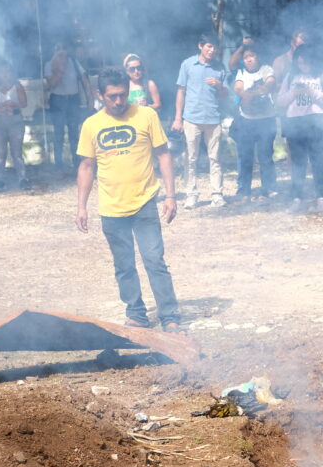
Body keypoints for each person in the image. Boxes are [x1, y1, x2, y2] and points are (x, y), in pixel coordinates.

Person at [75, 67, 181, 331]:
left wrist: (171, 195)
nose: (119, 102)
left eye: (122, 95)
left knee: (154, 260)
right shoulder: (91, 125)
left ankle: (169, 316)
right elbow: (87, 167)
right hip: (111, 207)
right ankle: (136, 313)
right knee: (123, 265)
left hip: (145, 202)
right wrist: (81, 207)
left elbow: (164, 155)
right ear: (100, 95)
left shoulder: (146, 115)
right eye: (112, 97)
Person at [277, 44, 323, 213]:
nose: (303, 66)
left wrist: (312, 92)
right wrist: (293, 94)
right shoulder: (290, 77)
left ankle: (320, 198)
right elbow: (280, 101)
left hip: (318, 122)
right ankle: (297, 198)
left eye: (306, 62)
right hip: (294, 122)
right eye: (300, 62)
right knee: (297, 163)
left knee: (318, 161)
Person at [172, 34, 230, 209]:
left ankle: (217, 194)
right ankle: (191, 194)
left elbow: (225, 96)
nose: (212, 51)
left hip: (213, 118)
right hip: (191, 118)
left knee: (215, 158)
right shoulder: (188, 64)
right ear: (200, 46)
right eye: (209, 47)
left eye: (215, 48)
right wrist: (178, 118)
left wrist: (219, 86)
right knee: (190, 158)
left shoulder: (220, 68)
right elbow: (181, 91)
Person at [231, 46, 277, 199]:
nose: (249, 59)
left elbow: (270, 82)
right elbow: (237, 87)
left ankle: (268, 189)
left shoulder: (266, 69)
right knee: (245, 157)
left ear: (258, 57)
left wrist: (258, 91)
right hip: (247, 120)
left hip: (266, 120)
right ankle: (244, 191)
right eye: (246, 57)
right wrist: (245, 94)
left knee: (265, 156)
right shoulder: (241, 72)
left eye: (252, 56)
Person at [45, 40, 90, 174]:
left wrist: (90, 99)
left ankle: (77, 165)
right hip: (57, 100)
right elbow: (51, 84)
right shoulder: (49, 65)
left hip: (73, 100)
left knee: (74, 134)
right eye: (58, 49)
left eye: (64, 49)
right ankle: (59, 167)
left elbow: (85, 80)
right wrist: (60, 70)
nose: (62, 52)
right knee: (58, 135)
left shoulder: (74, 62)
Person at [0, 61, 29, 190]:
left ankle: (22, 178)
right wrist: (0, 106)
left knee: (16, 153)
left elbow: (24, 103)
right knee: (0, 152)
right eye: (2, 71)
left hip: (15, 121)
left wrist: (13, 104)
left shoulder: (17, 86)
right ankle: (0, 180)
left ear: (11, 72)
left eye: (7, 70)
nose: (5, 73)